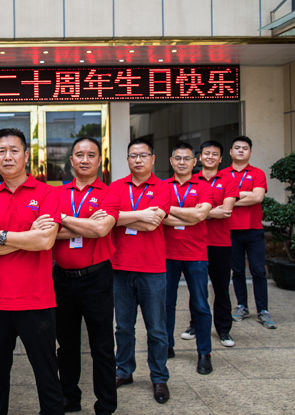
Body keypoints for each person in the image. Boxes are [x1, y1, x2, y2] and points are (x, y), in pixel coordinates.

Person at [0, 128, 63, 415]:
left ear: (26, 155)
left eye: (14, 150)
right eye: (1, 151)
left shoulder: (48, 193)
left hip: (37, 301)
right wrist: (27, 236)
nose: (8, 157)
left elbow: (45, 241)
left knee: (47, 376)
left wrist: (0, 236)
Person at [53, 137, 118, 414]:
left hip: (96, 278)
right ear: (71, 160)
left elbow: (101, 230)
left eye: (91, 155)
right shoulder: (56, 193)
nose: (85, 159)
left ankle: (106, 404)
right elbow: (48, 232)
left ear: (99, 161)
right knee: (66, 345)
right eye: (79, 154)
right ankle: (70, 397)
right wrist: (87, 224)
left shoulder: (109, 193)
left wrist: (63, 218)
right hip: (61, 279)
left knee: (101, 346)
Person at [107, 138, 171, 404]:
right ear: (127, 159)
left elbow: (152, 224)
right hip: (120, 267)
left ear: (152, 159)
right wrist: (140, 214)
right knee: (123, 327)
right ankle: (124, 371)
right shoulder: (115, 186)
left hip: (152, 269)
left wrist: (122, 217)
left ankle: (159, 377)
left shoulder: (163, 187)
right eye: (133, 155)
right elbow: (107, 218)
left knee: (156, 329)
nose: (138, 160)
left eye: (143, 155)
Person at [161, 143, 214, 375]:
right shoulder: (162, 186)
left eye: (187, 158)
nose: (182, 162)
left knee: (201, 305)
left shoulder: (204, 186)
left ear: (195, 162)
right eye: (178, 158)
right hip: (166, 254)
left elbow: (201, 214)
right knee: (166, 304)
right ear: (171, 161)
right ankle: (167, 346)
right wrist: (190, 215)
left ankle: (204, 353)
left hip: (196, 255)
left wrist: (169, 208)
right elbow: (158, 217)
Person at [181, 140, 239, 347]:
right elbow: (187, 211)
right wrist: (207, 212)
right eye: (207, 153)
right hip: (196, 242)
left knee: (221, 288)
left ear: (221, 158)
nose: (210, 157)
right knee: (196, 288)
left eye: (215, 154)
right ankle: (195, 325)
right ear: (199, 157)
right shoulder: (191, 179)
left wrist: (200, 213)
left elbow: (226, 211)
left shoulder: (229, 179)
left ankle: (223, 329)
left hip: (220, 243)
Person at [219, 136, 277, 329]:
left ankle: (263, 310)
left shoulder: (257, 173)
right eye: (237, 148)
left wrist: (231, 199)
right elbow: (220, 198)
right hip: (230, 229)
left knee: (258, 270)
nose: (241, 151)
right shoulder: (222, 174)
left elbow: (257, 197)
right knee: (236, 271)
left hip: (253, 229)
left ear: (250, 152)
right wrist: (245, 194)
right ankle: (242, 306)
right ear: (230, 152)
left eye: (245, 148)